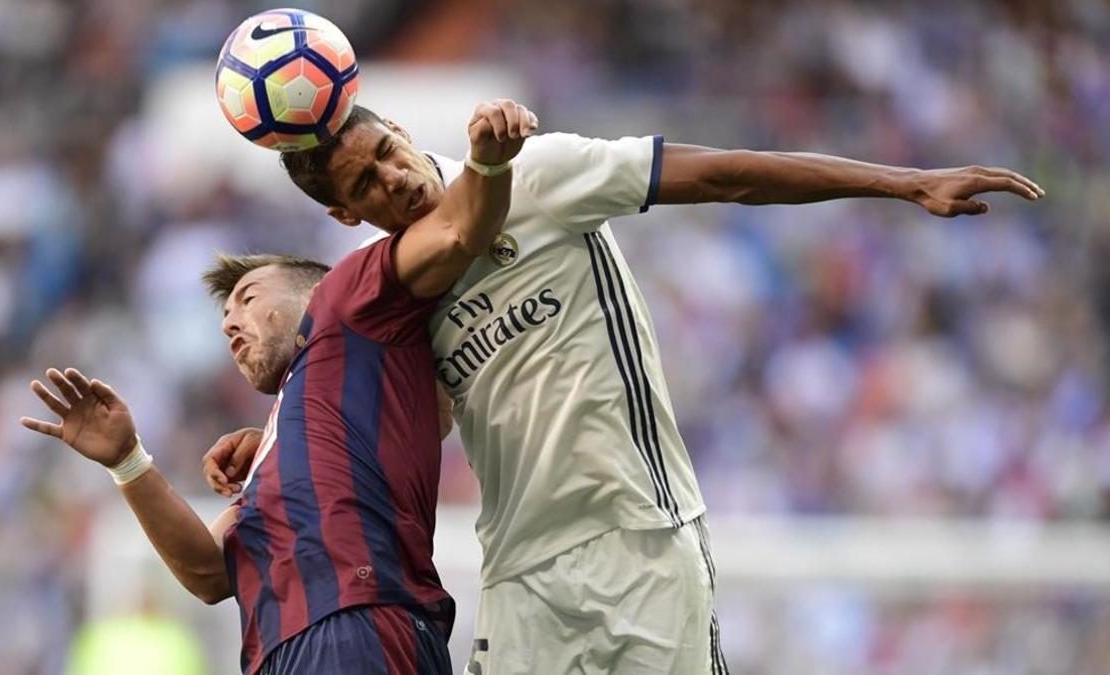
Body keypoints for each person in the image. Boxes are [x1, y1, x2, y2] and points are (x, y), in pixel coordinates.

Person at [203, 103, 1045, 674]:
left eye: (386, 152)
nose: (393, 179)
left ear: (396, 127)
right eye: (366, 186)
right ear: (346, 215)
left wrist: (903, 182)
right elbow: (409, 421)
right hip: (520, 567)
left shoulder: (535, 172)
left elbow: (721, 176)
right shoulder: (404, 290)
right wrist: (279, 446)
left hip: (637, 534)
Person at [20, 99, 540, 675]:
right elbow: (209, 575)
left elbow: (457, 228)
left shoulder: (348, 302)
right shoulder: (287, 441)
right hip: (282, 653)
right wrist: (127, 461)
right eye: (224, 320)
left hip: (356, 628)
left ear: (311, 295)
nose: (231, 324)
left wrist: (487, 165)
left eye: (249, 298)